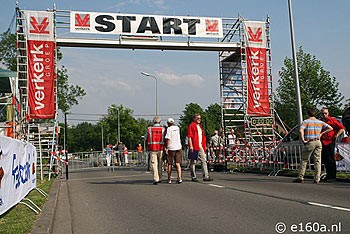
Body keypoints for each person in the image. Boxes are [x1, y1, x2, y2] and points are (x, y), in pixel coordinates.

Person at [293, 108, 333, 184]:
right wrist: (321, 134)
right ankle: (317, 178)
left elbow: (300, 130)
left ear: (308, 114)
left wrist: (303, 140)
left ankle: (301, 177)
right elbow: (330, 128)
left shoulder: (306, 122)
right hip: (318, 141)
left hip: (310, 141)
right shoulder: (320, 122)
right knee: (318, 160)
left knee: (304, 160)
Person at [320, 107, 345, 182]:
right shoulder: (320, 121)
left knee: (331, 158)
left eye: (325, 113)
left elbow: (341, 128)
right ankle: (328, 174)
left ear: (328, 113)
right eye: (322, 113)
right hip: (323, 141)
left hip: (330, 141)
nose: (324, 115)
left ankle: (333, 176)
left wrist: (336, 135)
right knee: (325, 159)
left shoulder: (332, 120)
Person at [187, 114, 213, 182]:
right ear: (194, 119)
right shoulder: (191, 126)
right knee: (193, 162)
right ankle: (193, 176)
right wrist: (191, 146)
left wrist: (204, 146)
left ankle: (206, 176)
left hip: (200, 146)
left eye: (200, 118)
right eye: (198, 118)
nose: (199, 119)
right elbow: (189, 136)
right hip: (194, 146)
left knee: (203, 160)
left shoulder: (200, 127)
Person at [145, 116, 165, 185]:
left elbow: (145, 138)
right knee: (160, 164)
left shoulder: (149, 129)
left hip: (152, 148)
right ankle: (160, 178)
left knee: (154, 164)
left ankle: (156, 178)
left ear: (153, 122)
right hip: (161, 148)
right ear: (160, 122)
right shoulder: (163, 129)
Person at [164, 117, 183, 184]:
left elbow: (168, 139)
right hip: (178, 147)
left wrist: (167, 148)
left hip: (171, 148)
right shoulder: (177, 128)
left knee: (169, 163)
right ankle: (179, 177)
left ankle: (169, 178)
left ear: (168, 123)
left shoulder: (169, 129)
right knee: (178, 163)